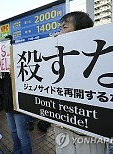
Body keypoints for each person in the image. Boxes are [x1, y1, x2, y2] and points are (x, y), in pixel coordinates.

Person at [54, 11, 108, 154]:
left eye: (65, 28)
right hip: (62, 128)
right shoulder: (56, 58)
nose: (59, 33)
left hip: (89, 135)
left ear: (82, 32)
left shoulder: (102, 60)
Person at [1, 72, 32, 154]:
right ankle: (17, 151)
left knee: (22, 135)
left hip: (19, 106)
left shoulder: (21, 64)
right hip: (8, 105)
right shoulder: (4, 70)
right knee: (13, 131)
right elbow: (1, 87)